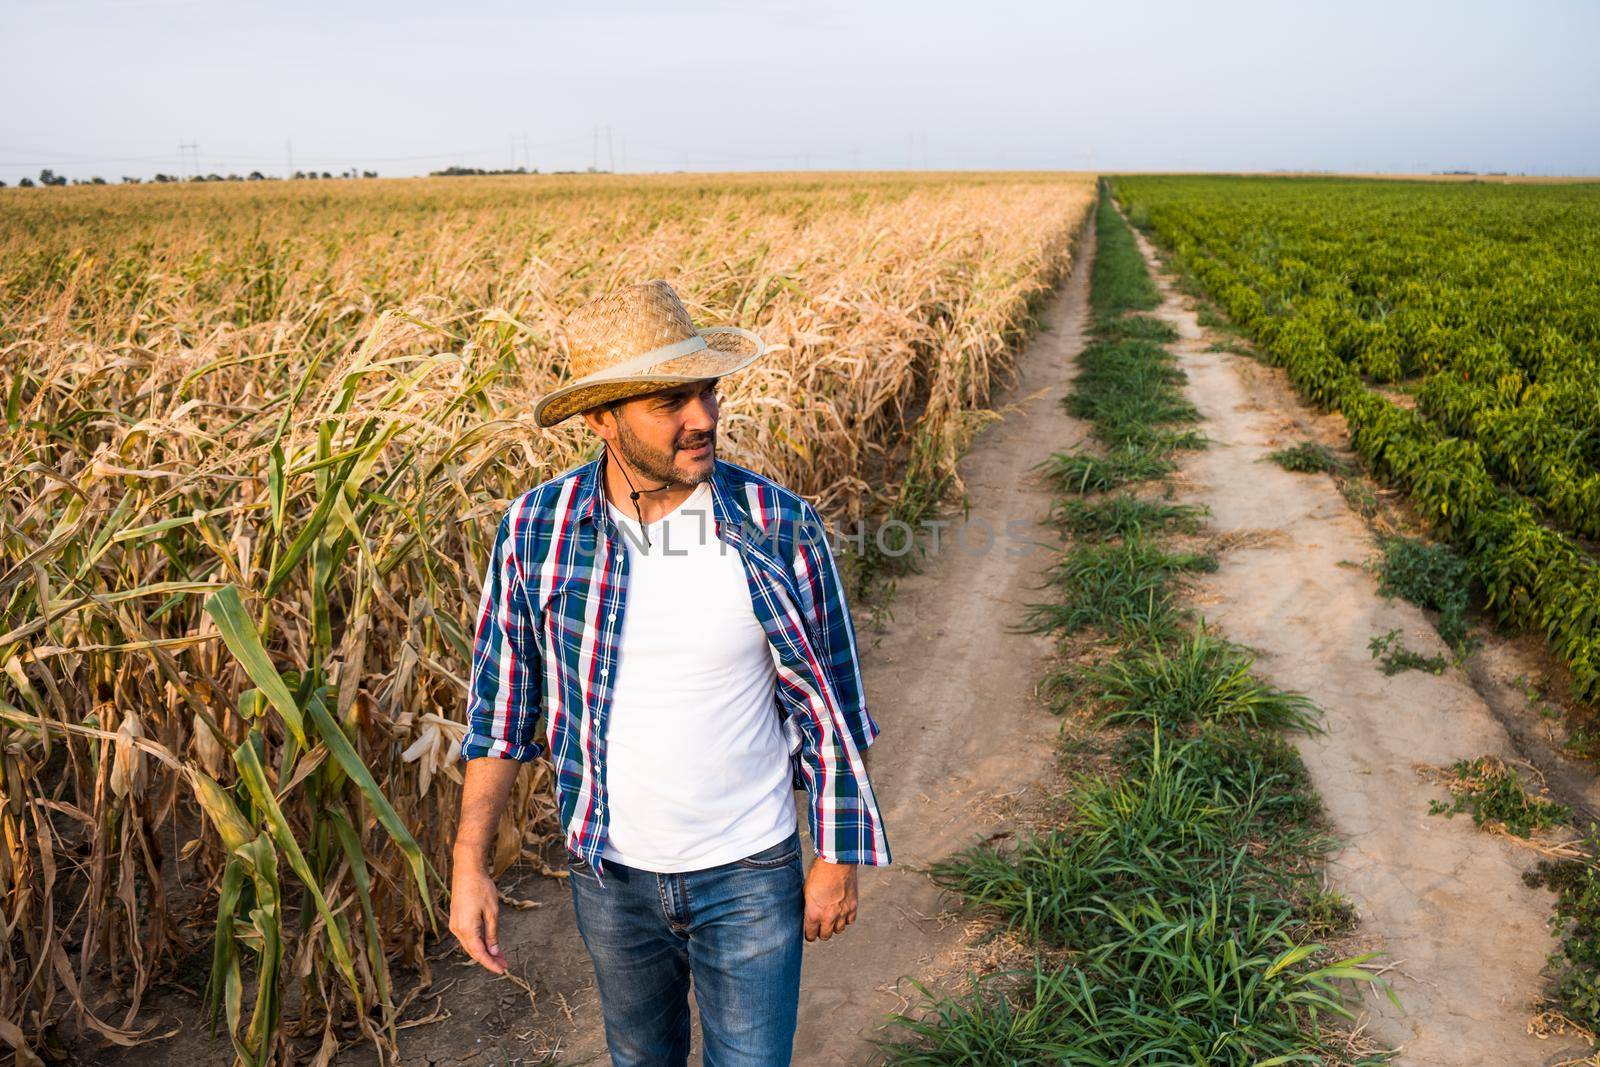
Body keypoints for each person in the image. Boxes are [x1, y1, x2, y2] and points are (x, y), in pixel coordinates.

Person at [448, 279, 891, 1066]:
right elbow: (502, 710)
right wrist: (469, 863)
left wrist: (835, 856)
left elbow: (834, 707)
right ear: (601, 418)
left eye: (708, 391)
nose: (705, 418)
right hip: (610, 877)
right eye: (670, 401)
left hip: (750, 873)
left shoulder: (777, 524)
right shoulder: (536, 531)